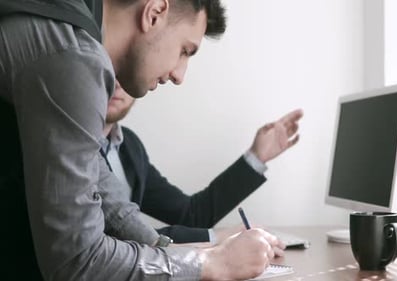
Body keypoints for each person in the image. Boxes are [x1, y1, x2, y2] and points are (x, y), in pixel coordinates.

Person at [0, 0, 284, 280]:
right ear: (155, 12)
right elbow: (76, 261)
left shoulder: (61, 25)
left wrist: (165, 248)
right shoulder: (76, 55)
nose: (179, 75)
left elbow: (110, 201)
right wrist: (211, 263)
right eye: (185, 51)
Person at [104, 81, 303, 244]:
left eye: (124, 71)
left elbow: (191, 216)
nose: (119, 83)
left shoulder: (128, 146)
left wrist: (256, 156)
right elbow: (108, 240)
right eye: (110, 69)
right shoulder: (77, 150)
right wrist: (215, 238)